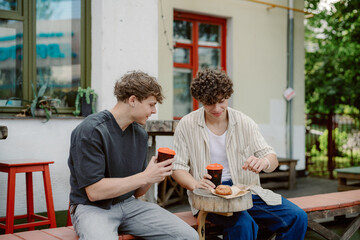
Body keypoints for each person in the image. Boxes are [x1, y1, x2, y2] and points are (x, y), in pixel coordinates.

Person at [172, 68, 307, 239]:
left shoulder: (244, 122)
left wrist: (264, 162)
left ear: (228, 95)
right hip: (209, 196)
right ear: (199, 100)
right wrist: (195, 185)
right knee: (243, 224)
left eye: (221, 101)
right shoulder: (186, 124)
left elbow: (271, 157)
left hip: (245, 191)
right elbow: (177, 168)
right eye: (209, 102)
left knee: (297, 217)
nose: (216, 108)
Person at [68, 71, 199, 240]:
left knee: (188, 236)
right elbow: (94, 192)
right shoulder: (92, 130)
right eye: (151, 104)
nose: (153, 111)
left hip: (129, 205)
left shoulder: (140, 134)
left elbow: (137, 192)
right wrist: (145, 176)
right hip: (92, 207)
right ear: (133, 100)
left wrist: (153, 176)